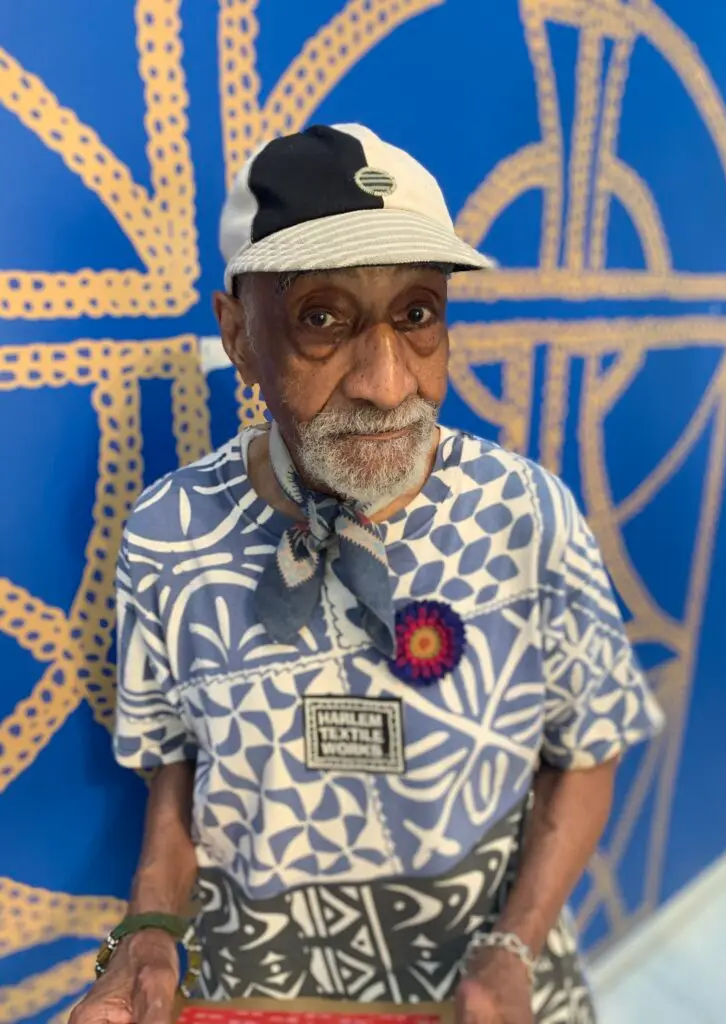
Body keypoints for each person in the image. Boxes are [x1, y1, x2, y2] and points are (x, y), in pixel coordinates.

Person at [71, 123, 663, 1024]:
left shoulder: (525, 515)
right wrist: (150, 929)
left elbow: (589, 748)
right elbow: (176, 764)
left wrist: (515, 951)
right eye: (321, 319)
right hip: (255, 986)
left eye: (418, 314)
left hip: (477, 982)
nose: (387, 384)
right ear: (238, 332)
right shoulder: (170, 532)